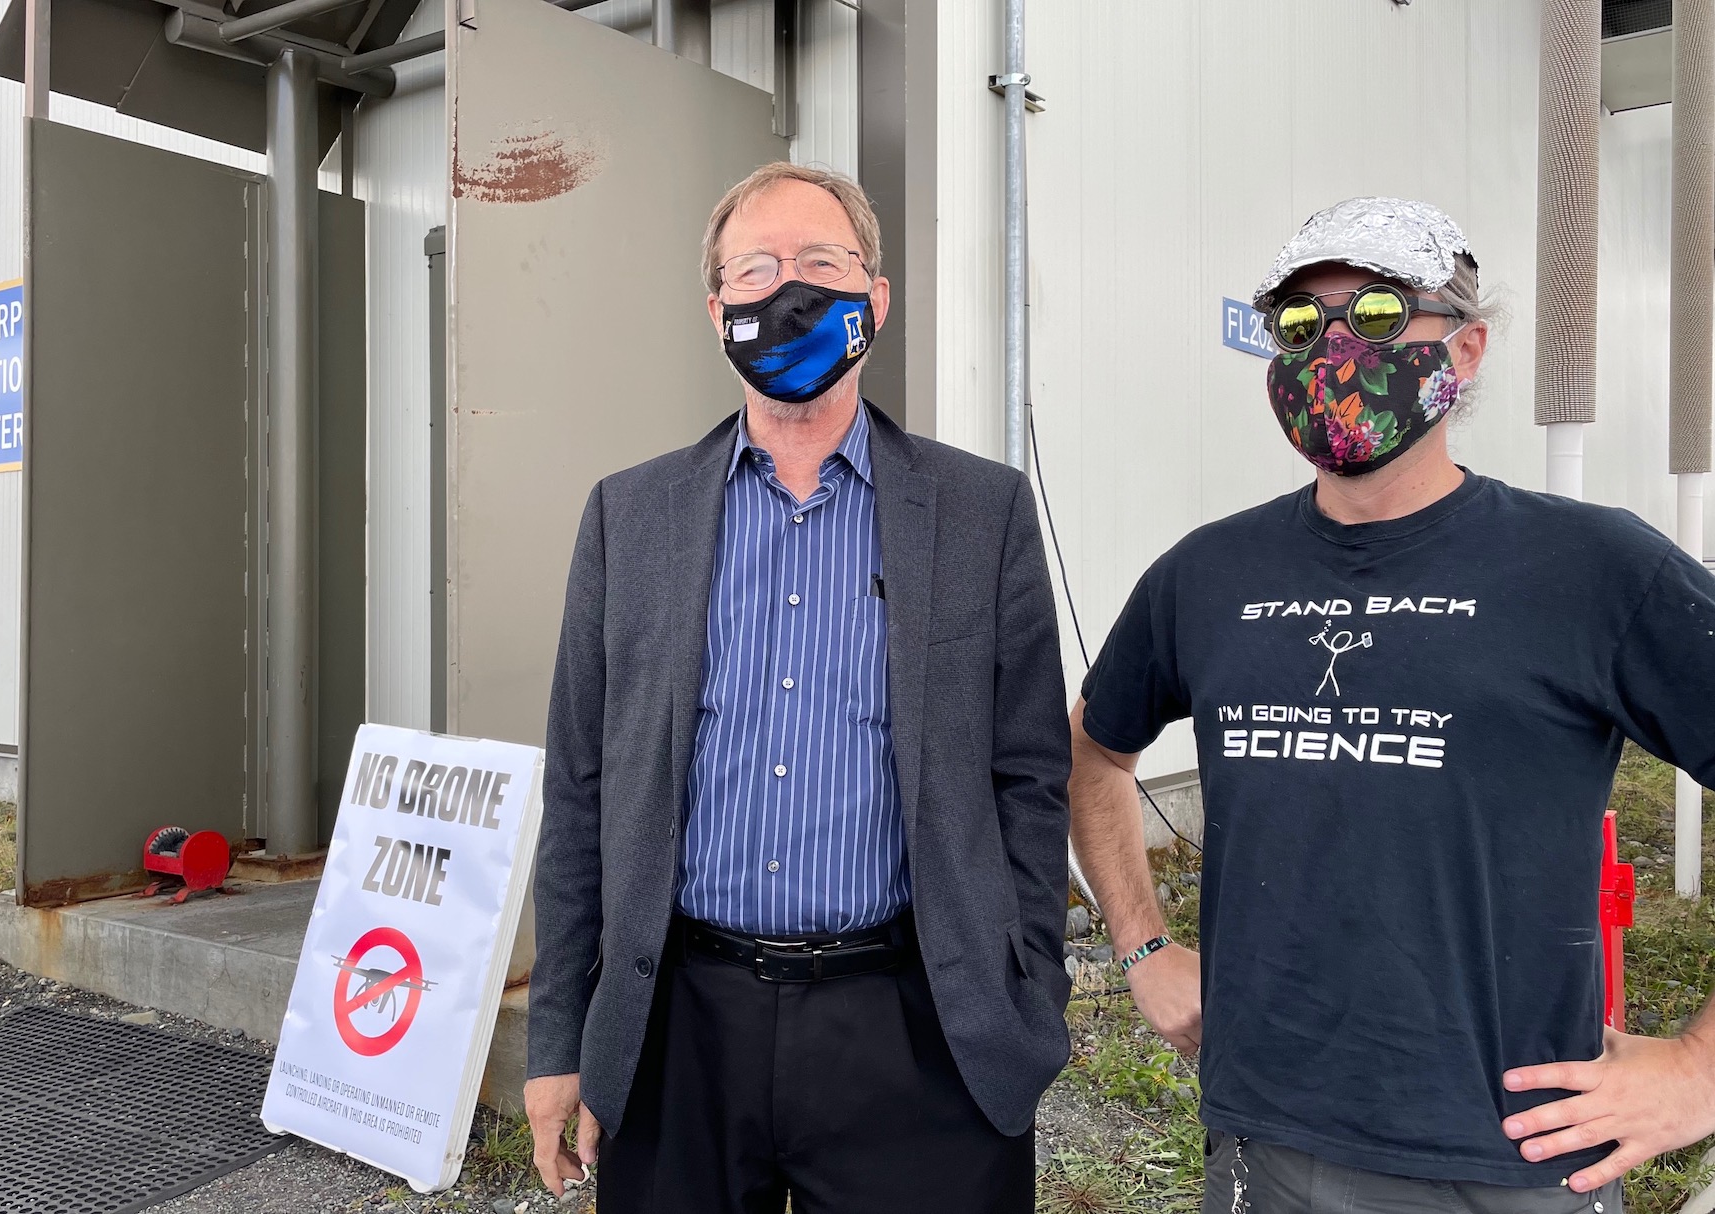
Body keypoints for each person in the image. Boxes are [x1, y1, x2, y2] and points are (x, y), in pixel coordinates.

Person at [1068, 196, 1715, 1213]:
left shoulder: (1593, 567)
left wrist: (1700, 1069)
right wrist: (1143, 946)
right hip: (1266, 1140)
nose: (1331, 348)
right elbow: (1096, 754)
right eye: (1298, 323)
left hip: (1513, 1155)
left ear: (1465, 348)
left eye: (1375, 314)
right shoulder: (1206, 572)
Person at [524, 161, 1073, 1214]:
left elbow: (1029, 776)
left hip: (915, 1032)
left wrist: (1028, 987)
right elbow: (581, 793)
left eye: (823, 264)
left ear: (876, 298)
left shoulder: (979, 513)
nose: (790, 292)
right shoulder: (628, 518)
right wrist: (560, 1038)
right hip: (682, 1030)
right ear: (716, 306)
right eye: (758, 269)